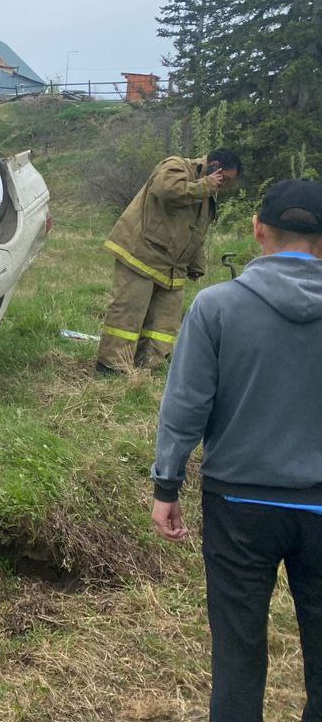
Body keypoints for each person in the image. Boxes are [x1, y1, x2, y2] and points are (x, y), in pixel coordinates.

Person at [150, 178, 322, 722]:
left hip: (238, 506)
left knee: (238, 654)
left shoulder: (215, 307)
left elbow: (185, 407)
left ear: (256, 230)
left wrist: (166, 485)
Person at [97, 148, 242, 374]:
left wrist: (196, 264)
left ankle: (151, 366)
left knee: (164, 323)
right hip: (142, 254)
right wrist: (206, 185)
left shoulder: (207, 193)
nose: (225, 185)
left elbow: (196, 232)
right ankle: (111, 366)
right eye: (225, 179)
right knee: (128, 314)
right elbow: (167, 190)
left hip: (173, 266)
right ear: (214, 167)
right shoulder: (176, 166)